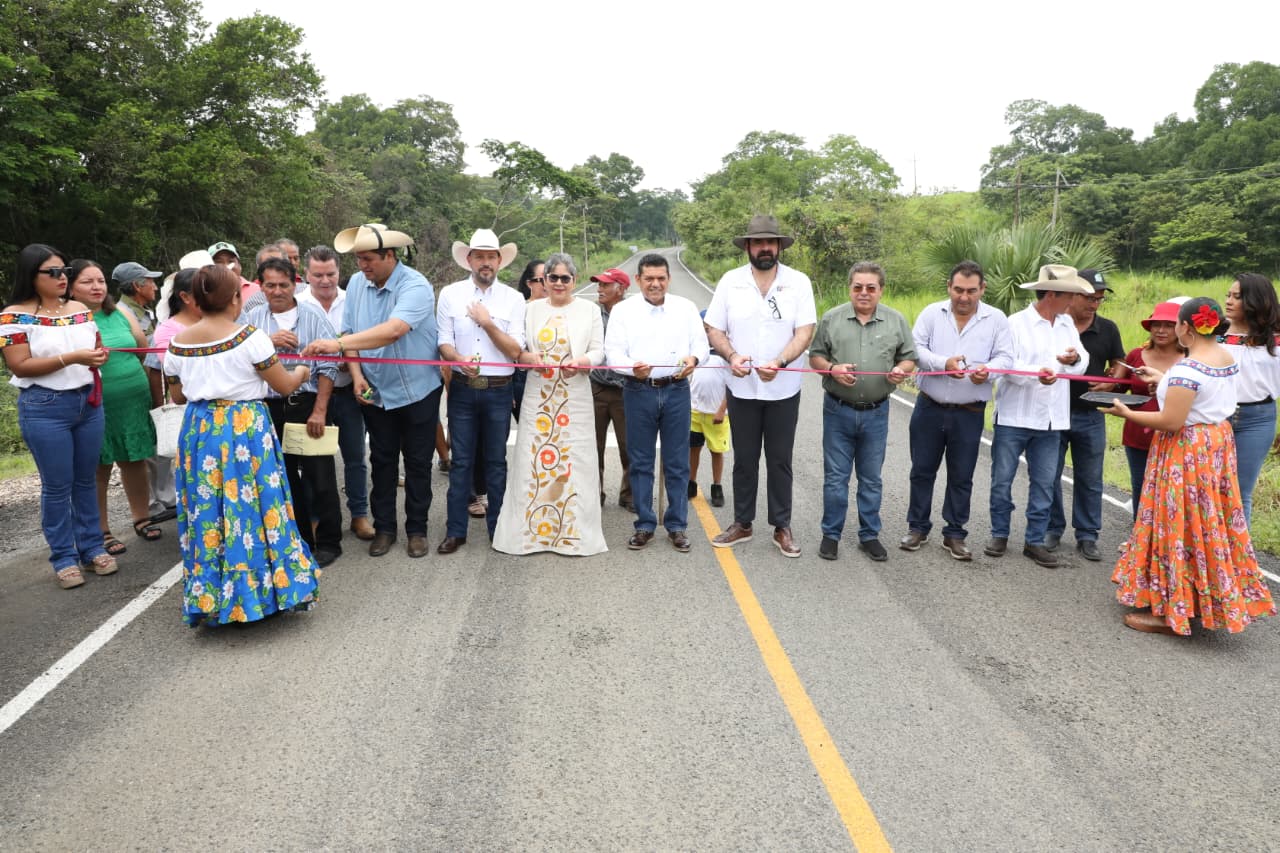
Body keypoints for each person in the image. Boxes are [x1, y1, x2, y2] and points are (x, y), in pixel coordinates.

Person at [1105, 297, 1275, 636]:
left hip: (1185, 450)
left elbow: (1170, 420)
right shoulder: (1224, 357)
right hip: (1215, 445)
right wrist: (1164, 378)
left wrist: (1126, 412)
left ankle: (1172, 610)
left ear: (1186, 327)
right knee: (1208, 523)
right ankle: (1204, 598)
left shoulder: (1186, 370)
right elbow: (1199, 391)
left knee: (1177, 523)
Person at [164, 264, 319, 626]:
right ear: (235, 298)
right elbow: (283, 385)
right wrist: (303, 371)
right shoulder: (250, 337)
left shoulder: (176, 343)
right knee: (256, 505)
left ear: (197, 300)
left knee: (210, 511)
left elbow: (177, 394)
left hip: (200, 431)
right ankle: (265, 592)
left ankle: (215, 597)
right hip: (244, 430)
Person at [300, 224, 442, 560]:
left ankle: (417, 529)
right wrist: (357, 374)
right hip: (375, 392)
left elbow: (392, 331)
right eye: (359, 259)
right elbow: (352, 333)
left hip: (418, 390)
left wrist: (335, 344)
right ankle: (386, 529)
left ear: (389, 256)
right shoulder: (358, 288)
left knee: (419, 463)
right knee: (381, 462)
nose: (362, 266)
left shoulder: (416, 286)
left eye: (368, 259)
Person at [1, 244, 113, 588]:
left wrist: (96, 356)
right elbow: (19, 364)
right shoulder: (13, 315)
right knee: (56, 486)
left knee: (85, 480)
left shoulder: (79, 308)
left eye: (63, 270)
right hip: (45, 407)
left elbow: (92, 348)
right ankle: (63, 556)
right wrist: (74, 358)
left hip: (87, 402)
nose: (61, 277)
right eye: (52, 272)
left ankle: (92, 548)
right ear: (32, 275)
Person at [705, 215, 817, 558]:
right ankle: (742, 522)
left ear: (779, 246)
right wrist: (732, 355)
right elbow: (714, 329)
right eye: (758, 243)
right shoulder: (730, 281)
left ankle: (781, 526)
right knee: (745, 460)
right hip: (741, 389)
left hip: (783, 389)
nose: (765, 248)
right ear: (749, 247)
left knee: (780, 459)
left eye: (771, 242)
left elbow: (805, 331)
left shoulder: (798, 282)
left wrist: (781, 362)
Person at [493, 253, 607, 555]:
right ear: (543, 281)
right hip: (538, 396)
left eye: (564, 278)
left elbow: (599, 351)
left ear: (574, 281)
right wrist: (527, 358)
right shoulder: (529, 310)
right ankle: (532, 534)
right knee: (533, 461)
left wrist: (583, 361)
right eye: (552, 278)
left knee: (575, 463)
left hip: (575, 397)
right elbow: (518, 347)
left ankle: (572, 534)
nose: (558, 283)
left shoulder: (589, 310)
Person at [903, 260, 1013, 561]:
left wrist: (987, 372)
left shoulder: (997, 319)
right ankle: (917, 527)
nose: (964, 297)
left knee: (962, 474)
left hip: (970, 411)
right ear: (949, 287)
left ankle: (954, 533)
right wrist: (943, 363)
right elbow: (915, 349)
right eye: (958, 290)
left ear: (982, 289)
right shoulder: (931, 313)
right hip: (929, 406)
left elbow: (1006, 358)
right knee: (922, 470)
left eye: (971, 291)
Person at [808, 262, 916, 561]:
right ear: (850, 288)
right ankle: (831, 534)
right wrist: (832, 369)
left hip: (877, 413)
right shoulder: (832, 319)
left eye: (871, 287)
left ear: (881, 290)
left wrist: (900, 371)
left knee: (871, 479)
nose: (864, 293)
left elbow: (909, 359)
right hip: (838, 410)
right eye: (858, 287)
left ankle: (869, 535)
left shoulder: (896, 321)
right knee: (835, 478)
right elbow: (815, 357)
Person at [985, 265, 1092, 568]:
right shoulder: (1015, 323)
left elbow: (1081, 361)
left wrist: (1071, 361)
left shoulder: (1067, 325)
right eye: (1069, 294)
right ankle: (999, 533)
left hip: (1051, 418)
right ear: (1051, 294)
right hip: (1015, 415)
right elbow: (1007, 364)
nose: (1072, 301)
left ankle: (1034, 540)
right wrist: (1038, 374)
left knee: (1045, 482)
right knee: (1001, 479)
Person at [603, 253, 708, 552]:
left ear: (668, 279)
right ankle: (645, 524)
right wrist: (631, 367)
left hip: (676, 390)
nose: (655, 284)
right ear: (638, 280)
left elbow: (700, 344)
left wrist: (694, 358)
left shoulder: (685, 308)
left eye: (661, 278)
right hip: (638, 391)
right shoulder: (623, 311)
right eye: (649, 278)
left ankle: (677, 525)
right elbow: (614, 355)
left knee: (676, 462)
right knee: (641, 462)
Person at [243, 257, 342, 567]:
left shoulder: (312, 316)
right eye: (270, 285)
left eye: (283, 285)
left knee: (320, 476)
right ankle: (298, 539)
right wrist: (266, 342)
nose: (277, 291)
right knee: (283, 478)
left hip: (307, 405)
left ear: (294, 284)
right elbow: (239, 360)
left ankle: (328, 541)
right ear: (260, 286)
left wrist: (320, 411)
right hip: (268, 407)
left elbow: (329, 366)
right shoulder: (253, 319)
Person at [435, 228, 526, 555]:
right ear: (469, 259)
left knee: (495, 462)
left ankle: (498, 529)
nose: (485, 263)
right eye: (480, 256)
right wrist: (458, 359)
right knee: (460, 462)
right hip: (462, 389)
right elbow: (443, 340)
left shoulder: (514, 299)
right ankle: (455, 531)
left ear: (499, 261)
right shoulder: (450, 294)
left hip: (499, 391)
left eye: (491, 257)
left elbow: (516, 349)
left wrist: (488, 323)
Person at [67, 260, 161, 554]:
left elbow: (143, 351)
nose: (96, 287)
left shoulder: (119, 312)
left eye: (100, 281)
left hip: (133, 400)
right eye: (87, 282)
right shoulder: (68, 320)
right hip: (93, 403)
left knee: (134, 459)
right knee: (99, 466)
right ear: (70, 287)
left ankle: (141, 517)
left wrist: (153, 398)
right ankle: (101, 530)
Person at [1045, 269, 1127, 561]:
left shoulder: (1108, 329)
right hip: (1054, 413)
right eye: (1090, 298)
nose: (1094, 304)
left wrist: (1112, 380)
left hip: (1091, 415)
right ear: (1073, 295)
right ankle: (1052, 528)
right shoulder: (1053, 325)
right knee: (1049, 474)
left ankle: (1087, 535)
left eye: (1099, 299)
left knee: (1090, 477)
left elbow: (1120, 361)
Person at [297, 245, 373, 541]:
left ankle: (359, 515)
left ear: (339, 272)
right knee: (314, 461)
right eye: (318, 275)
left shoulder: (352, 300)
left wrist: (350, 360)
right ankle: (315, 518)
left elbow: (365, 340)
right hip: (312, 395)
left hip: (348, 392)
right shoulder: (298, 304)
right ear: (307, 274)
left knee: (355, 457)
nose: (325, 281)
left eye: (330, 274)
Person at [1221, 273, 1280, 525]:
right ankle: (1209, 551)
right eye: (1228, 295)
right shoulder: (1213, 332)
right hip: (1215, 415)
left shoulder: (1275, 340)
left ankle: (1237, 557)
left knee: (1239, 489)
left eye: (1237, 297)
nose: (1229, 301)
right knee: (1209, 484)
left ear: (1255, 301)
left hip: (1258, 419)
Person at [1119, 301, 1184, 519]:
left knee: (1173, 489)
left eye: (1168, 325)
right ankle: (1140, 537)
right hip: (1138, 432)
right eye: (1156, 324)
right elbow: (1119, 389)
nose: (1161, 330)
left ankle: (1167, 538)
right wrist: (1106, 383)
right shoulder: (1136, 355)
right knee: (1141, 486)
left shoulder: (1190, 359)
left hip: (1175, 434)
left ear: (1180, 329)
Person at [588, 267, 635, 512]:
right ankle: (594, 493)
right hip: (596, 387)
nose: (600, 289)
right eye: (599, 284)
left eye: (605, 285)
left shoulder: (632, 314)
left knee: (629, 446)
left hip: (625, 389)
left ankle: (629, 495)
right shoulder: (593, 314)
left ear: (621, 288)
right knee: (592, 446)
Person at [688, 348, 729, 508]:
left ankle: (717, 486)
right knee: (693, 448)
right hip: (695, 411)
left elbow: (731, 385)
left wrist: (721, 409)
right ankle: (691, 483)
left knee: (716, 451)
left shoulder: (726, 356)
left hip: (717, 414)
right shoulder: (698, 353)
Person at [511, 258, 546, 421]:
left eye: (552, 277)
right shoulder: (520, 310)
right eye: (542, 279)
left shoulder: (563, 310)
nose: (549, 283)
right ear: (529, 283)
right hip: (524, 378)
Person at [111, 260, 161, 339]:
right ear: (137, 286)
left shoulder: (143, 311)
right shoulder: (121, 315)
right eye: (151, 282)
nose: (156, 288)